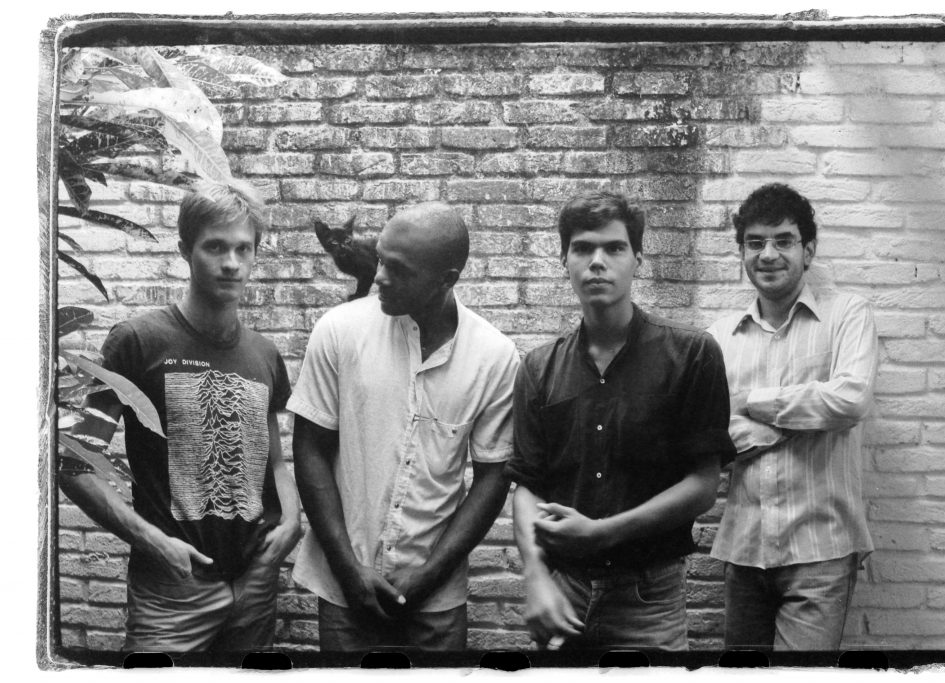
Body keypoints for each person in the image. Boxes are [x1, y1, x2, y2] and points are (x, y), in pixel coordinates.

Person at [59, 180, 302, 652]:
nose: (231, 263)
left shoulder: (265, 355)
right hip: (172, 592)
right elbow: (76, 464)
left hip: (254, 585)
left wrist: (292, 521)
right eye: (215, 247)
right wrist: (155, 543)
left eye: (243, 248)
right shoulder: (137, 341)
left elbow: (273, 461)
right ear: (185, 250)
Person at [507, 191, 734, 651]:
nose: (597, 262)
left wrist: (601, 533)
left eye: (614, 248)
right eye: (582, 248)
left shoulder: (691, 354)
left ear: (637, 260)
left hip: (648, 599)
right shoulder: (538, 368)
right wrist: (534, 576)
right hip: (564, 590)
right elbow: (527, 486)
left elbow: (703, 485)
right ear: (564, 260)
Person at [288, 202, 519, 651]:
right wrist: (347, 567)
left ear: (446, 279)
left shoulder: (493, 357)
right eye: (380, 259)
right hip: (343, 591)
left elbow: (494, 476)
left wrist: (429, 575)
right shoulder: (339, 330)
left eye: (398, 269)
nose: (378, 277)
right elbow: (310, 448)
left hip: (435, 604)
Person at [707, 183, 879, 651]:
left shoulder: (848, 315)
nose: (768, 254)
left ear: (809, 250)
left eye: (783, 240)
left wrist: (751, 401)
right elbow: (706, 431)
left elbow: (850, 400)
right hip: (744, 549)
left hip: (822, 550)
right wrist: (803, 420)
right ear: (742, 253)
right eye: (755, 243)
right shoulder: (719, 337)